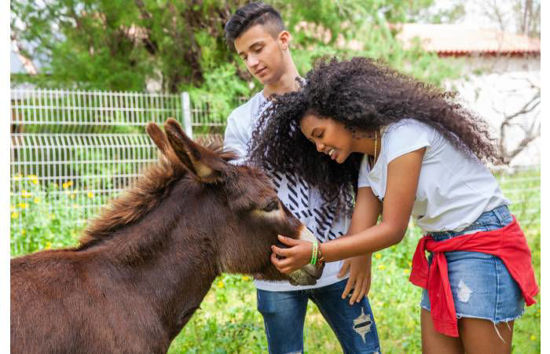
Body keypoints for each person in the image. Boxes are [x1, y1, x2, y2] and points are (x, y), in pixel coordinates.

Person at [249, 57, 539, 353]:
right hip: (443, 249)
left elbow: (392, 229)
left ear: (344, 114)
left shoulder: (404, 136)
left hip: (482, 244)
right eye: (312, 143)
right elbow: (359, 232)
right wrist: (353, 256)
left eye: (320, 135)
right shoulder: (369, 160)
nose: (319, 148)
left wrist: (316, 252)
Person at [223, 3, 381, 354]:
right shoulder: (241, 121)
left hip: (340, 265)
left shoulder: (331, 103)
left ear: (283, 39)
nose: (251, 62)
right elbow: (244, 200)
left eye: (257, 48)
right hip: (277, 273)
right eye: (243, 55)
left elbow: (365, 178)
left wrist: (363, 251)